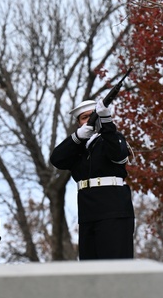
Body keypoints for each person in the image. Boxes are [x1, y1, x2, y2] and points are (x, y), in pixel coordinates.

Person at [51, 97, 135, 259]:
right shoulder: (78, 148)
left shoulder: (112, 137)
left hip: (113, 209)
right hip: (87, 211)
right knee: (90, 267)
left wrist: (106, 122)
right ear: (78, 123)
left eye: (92, 115)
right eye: (84, 117)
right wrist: (77, 137)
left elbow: (117, 153)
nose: (89, 120)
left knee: (115, 265)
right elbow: (57, 159)